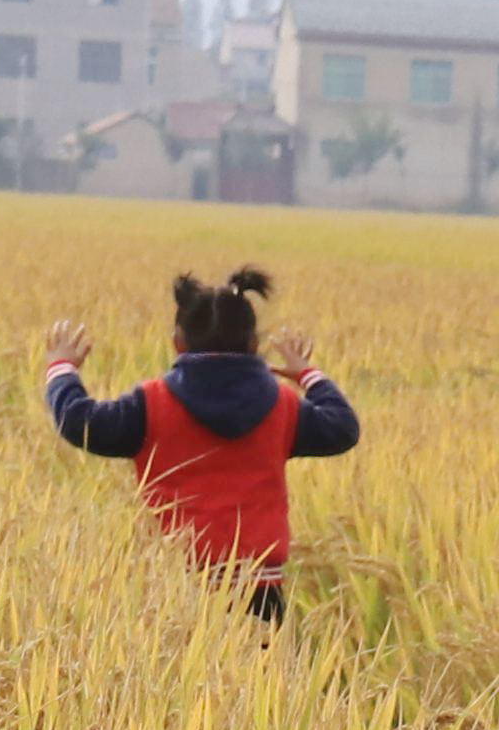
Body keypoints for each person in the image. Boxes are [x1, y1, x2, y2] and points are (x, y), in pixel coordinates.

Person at [41, 266, 356, 624]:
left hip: (175, 585)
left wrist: (62, 369)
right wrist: (307, 374)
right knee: (262, 678)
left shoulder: (151, 404)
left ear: (178, 341)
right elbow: (342, 428)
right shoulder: (283, 407)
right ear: (255, 345)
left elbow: (79, 422)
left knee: (181, 679)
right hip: (261, 590)